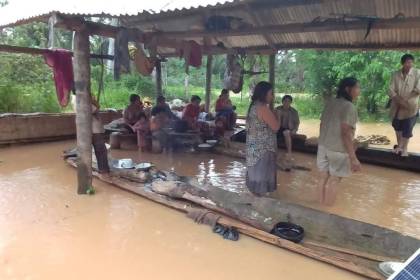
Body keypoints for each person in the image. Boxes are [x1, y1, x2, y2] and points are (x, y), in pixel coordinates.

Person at [317, 77, 361, 206]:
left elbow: (321, 125)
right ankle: (328, 212)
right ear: (348, 89)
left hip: (323, 146)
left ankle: (318, 208)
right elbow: (345, 132)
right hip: (338, 150)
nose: (359, 91)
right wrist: (353, 158)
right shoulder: (349, 107)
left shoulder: (330, 102)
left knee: (322, 178)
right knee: (334, 181)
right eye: (357, 87)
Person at [245, 81, 280, 196]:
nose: (272, 96)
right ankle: (262, 201)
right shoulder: (263, 108)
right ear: (264, 94)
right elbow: (275, 127)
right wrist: (277, 116)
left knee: (254, 173)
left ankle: (255, 197)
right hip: (264, 148)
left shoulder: (253, 106)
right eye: (271, 93)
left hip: (252, 146)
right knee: (262, 176)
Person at [388, 54, 420, 157]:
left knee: (407, 128)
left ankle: (405, 149)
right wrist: (399, 100)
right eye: (407, 62)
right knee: (397, 127)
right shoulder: (395, 74)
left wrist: (406, 101)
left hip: (410, 107)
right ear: (402, 63)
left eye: (411, 62)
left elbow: (418, 89)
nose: (409, 65)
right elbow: (390, 90)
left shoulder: (417, 73)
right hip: (397, 106)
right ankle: (400, 147)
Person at [91, 97, 110, 174]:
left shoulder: (87, 103)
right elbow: (96, 109)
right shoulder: (87, 104)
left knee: (99, 150)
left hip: (95, 130)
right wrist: (95, 102)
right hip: (95, 131)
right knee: (101, 151)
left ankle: (102, 169)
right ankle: (103, 170)